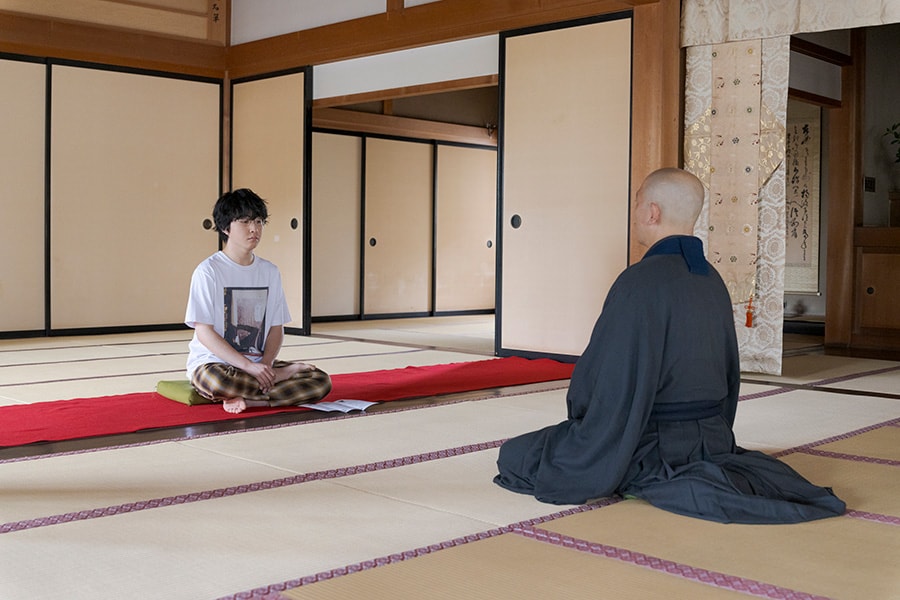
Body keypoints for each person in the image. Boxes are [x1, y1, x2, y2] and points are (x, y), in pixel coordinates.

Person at [493, 168, 846, 524]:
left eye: (637, 204)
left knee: (516, 455)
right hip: (712, 438)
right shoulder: (712, 279)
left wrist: (584, 423)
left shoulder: (639, 282)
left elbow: (608, 380)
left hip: (650, 442)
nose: (635, 214)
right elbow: (729, 374)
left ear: (652, 212)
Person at [185, 188, 332, 414]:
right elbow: (204, 331)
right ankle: (275, 386)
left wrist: (266, 365)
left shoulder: (270, 271)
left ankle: (256, 401)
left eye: (259, 221)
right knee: (217, 382)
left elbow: (275, 327)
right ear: (226, 228)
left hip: (258, 362)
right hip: (216, 364)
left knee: (320, 380)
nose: (254, 229)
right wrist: (250, 368)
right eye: (244, 222)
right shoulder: (208, 271)